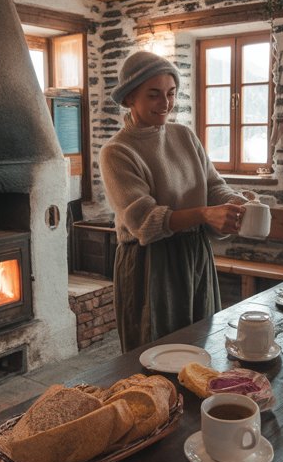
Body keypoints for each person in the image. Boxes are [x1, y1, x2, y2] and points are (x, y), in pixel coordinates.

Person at [99, 50, 251, 352]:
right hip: (150, 264)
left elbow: (212, 185)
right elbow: (145, 222)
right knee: (154, 354)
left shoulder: (185, 136)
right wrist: (206, 214)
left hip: (196, 254)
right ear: (130, 98)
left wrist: (236, 202)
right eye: (154, 95)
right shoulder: (117, 151)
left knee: (202, 345)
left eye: (171, 93)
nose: (166, 103)